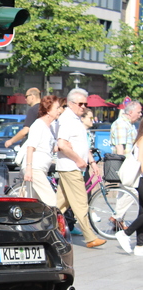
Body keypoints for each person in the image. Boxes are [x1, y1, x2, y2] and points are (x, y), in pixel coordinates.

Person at [55, 88, 106, 248]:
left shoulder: (75, 119)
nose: (84, 107)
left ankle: (41, 229)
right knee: (81, 202)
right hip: (71, 167)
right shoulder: (67, 119)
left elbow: (82, 145)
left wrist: (91, 162)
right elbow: (62, 144)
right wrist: (79, 160)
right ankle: (90, 237)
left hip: (73, 166)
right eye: (80, 104)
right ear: (71, 104)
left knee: (59, 205)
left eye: (85, 104)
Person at [22, 95, 62, 207]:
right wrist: (29, 169)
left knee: (34, 203)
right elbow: (30, 147)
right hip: (35, 168)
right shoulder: (38, 125)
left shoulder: (50, 127)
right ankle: (55, 224)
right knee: (51, 200)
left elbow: (51, 148)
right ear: (48, 110)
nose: (59, 110)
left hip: (41, 169)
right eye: (57, 108)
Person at [115, 122, 143, 260]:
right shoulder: (142, 139)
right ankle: (125, 233)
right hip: (142, 180)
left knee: (142, 213)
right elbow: (142, 163)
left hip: (141, 182)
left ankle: (139, 246)